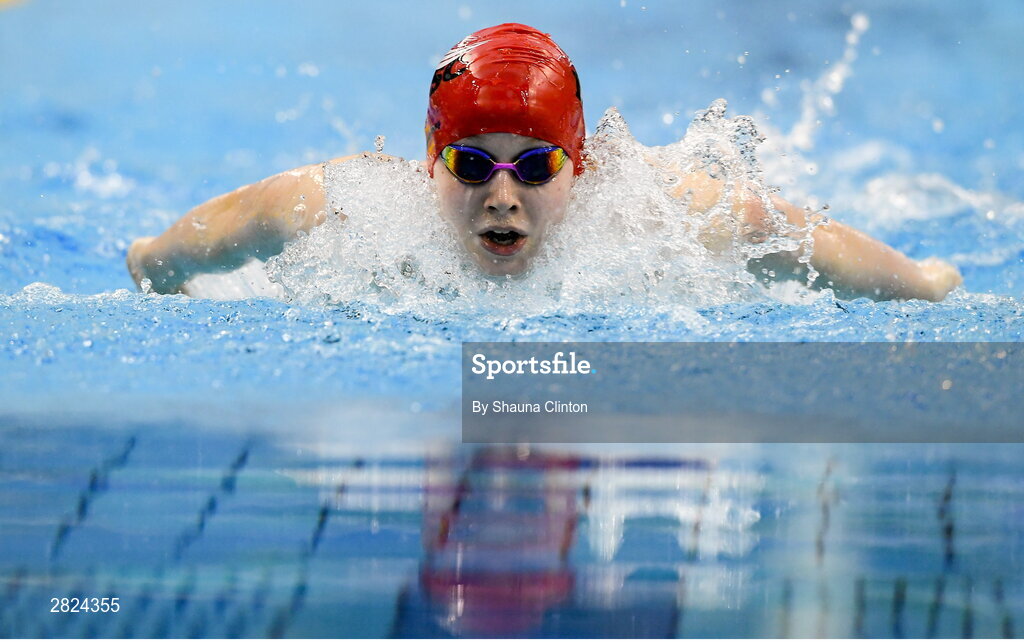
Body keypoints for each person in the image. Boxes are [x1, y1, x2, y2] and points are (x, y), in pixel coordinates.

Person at [126, 23, 962, 302]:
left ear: (580, 167)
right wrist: (157, 263)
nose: (500, 196)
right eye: (467, 163)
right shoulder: (360, 212)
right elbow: (250, 215)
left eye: (533, 167)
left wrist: (920, 284)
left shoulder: (655, 214)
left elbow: (792, 234)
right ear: (427, 166)